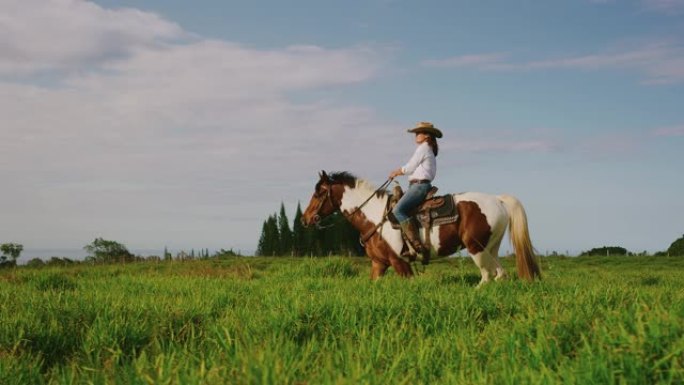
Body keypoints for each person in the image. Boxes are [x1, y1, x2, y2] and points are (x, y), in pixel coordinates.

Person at [389, 121, 442, 263]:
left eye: (419, 133)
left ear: (426, 136)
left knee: (398, 210)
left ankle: (416, 245)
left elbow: (411, 167)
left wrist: (397, 172)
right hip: (417, 185)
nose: (416, 136)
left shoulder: (423, 148)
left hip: (419, 187)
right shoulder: (427, 148)